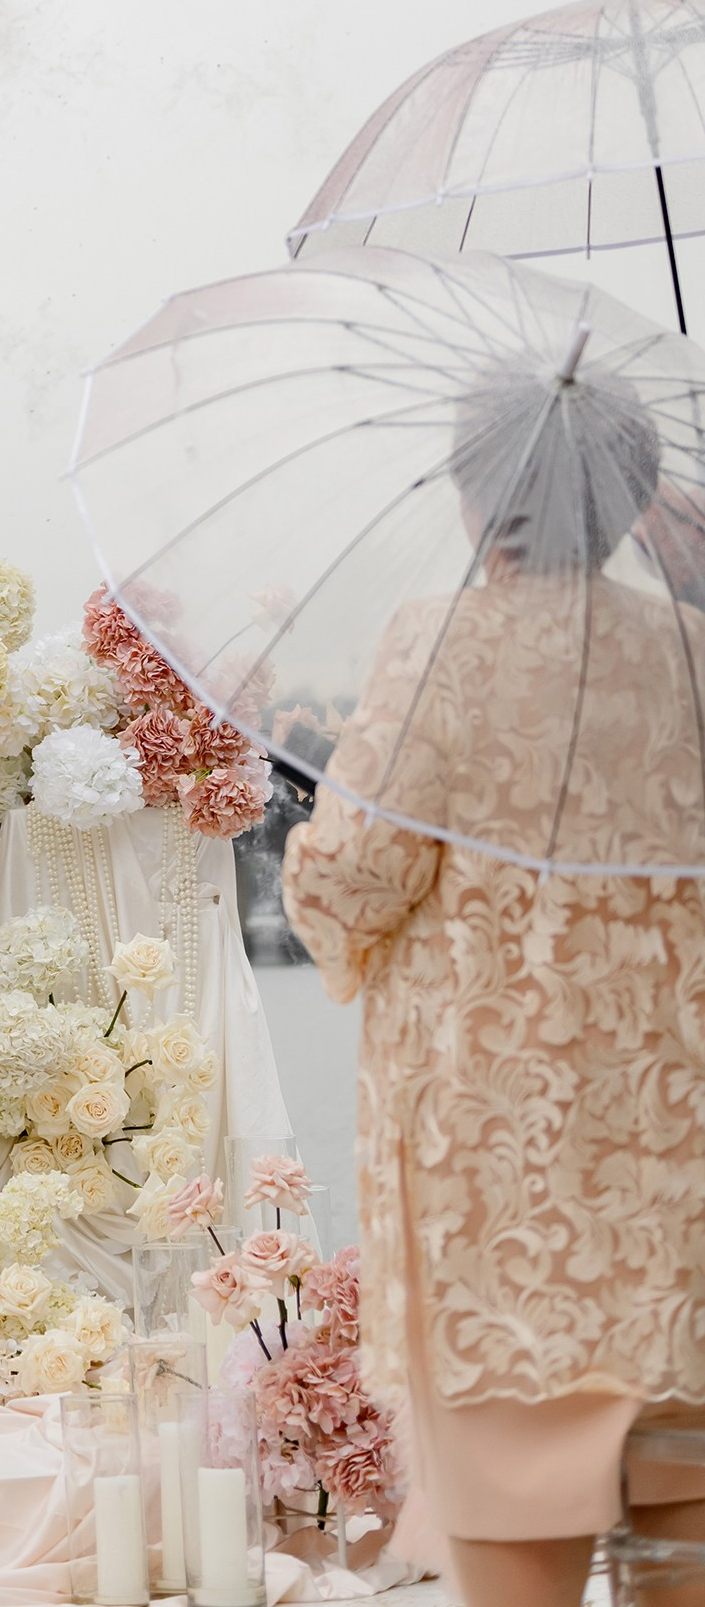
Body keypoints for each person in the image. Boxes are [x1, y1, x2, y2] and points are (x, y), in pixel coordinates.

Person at [284, 372, 705, 1607]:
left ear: (474, 498)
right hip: (676, 1157)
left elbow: (356, 875)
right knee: (684, 1512)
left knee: (519, 1513)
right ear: (631, 503)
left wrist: (318, 860)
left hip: (504, 1173)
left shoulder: (439, 643)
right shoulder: (695, 650)